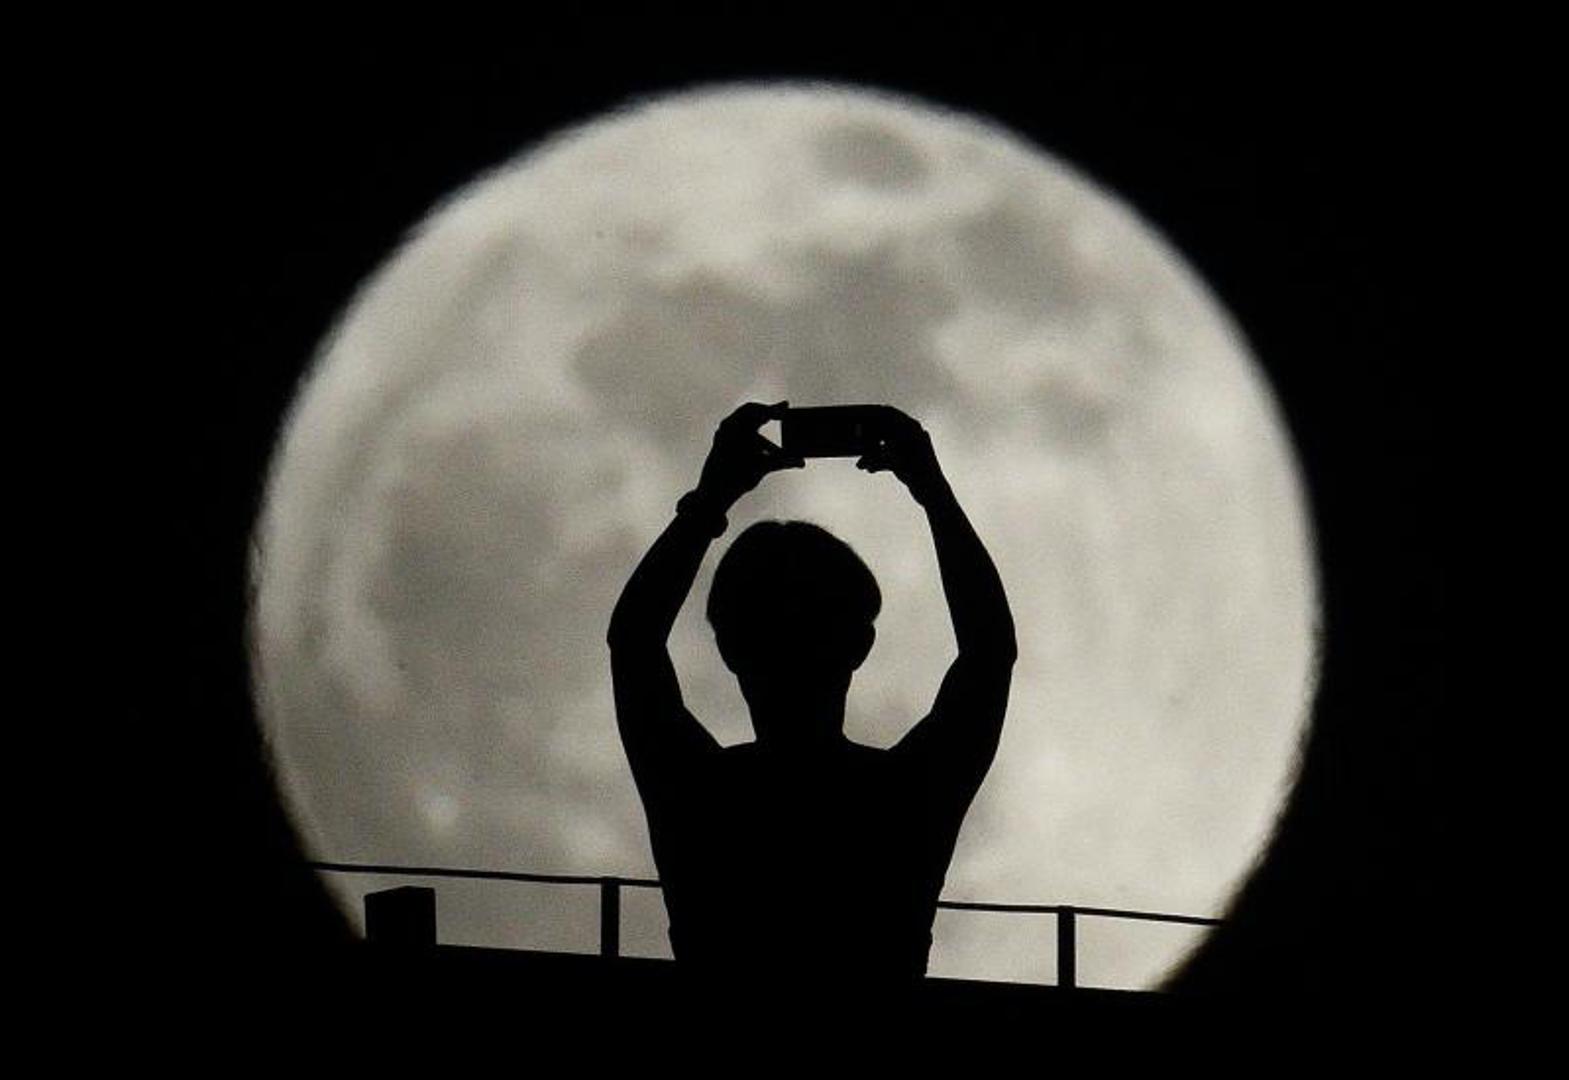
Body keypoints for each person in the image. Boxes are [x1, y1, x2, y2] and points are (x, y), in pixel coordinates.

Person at [607, 401, 1016, 993]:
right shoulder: (904, 799)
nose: (792, 629)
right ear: (859, 645)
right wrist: (933, 492)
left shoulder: (698, 793)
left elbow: (633, 643)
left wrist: (710, 501)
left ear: (730, 650)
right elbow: (988, 652)